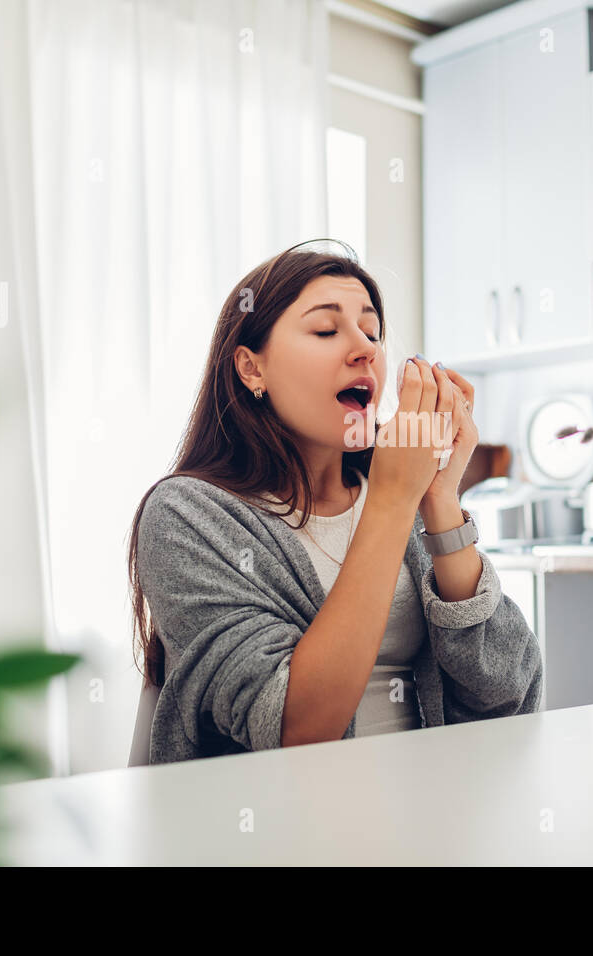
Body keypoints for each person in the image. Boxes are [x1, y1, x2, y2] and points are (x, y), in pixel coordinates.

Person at [126, 240, 542, 763]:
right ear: (251, 369)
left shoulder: (402, 492)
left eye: (372, 331)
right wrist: (392, 500)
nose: (365, 348)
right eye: (326, 330)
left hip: (430, 810)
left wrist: (438, 501)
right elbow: (294, 727)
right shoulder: (188, 515)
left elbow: (509, 694)